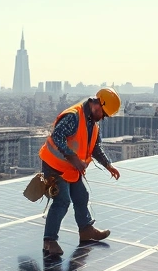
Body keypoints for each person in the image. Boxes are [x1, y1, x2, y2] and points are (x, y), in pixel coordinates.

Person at [38, 87, 122, 256]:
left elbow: (95, 147)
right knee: (62, 202)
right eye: (104, 114)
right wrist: (73, 157)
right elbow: (57, 136)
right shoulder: (74, 116)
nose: (103, 118)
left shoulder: (92, 123)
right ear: (98, 105)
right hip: (54, 165)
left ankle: (86, 230)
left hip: (70, 168)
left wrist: (108, 165)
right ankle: (49, 241)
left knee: (81, 195)